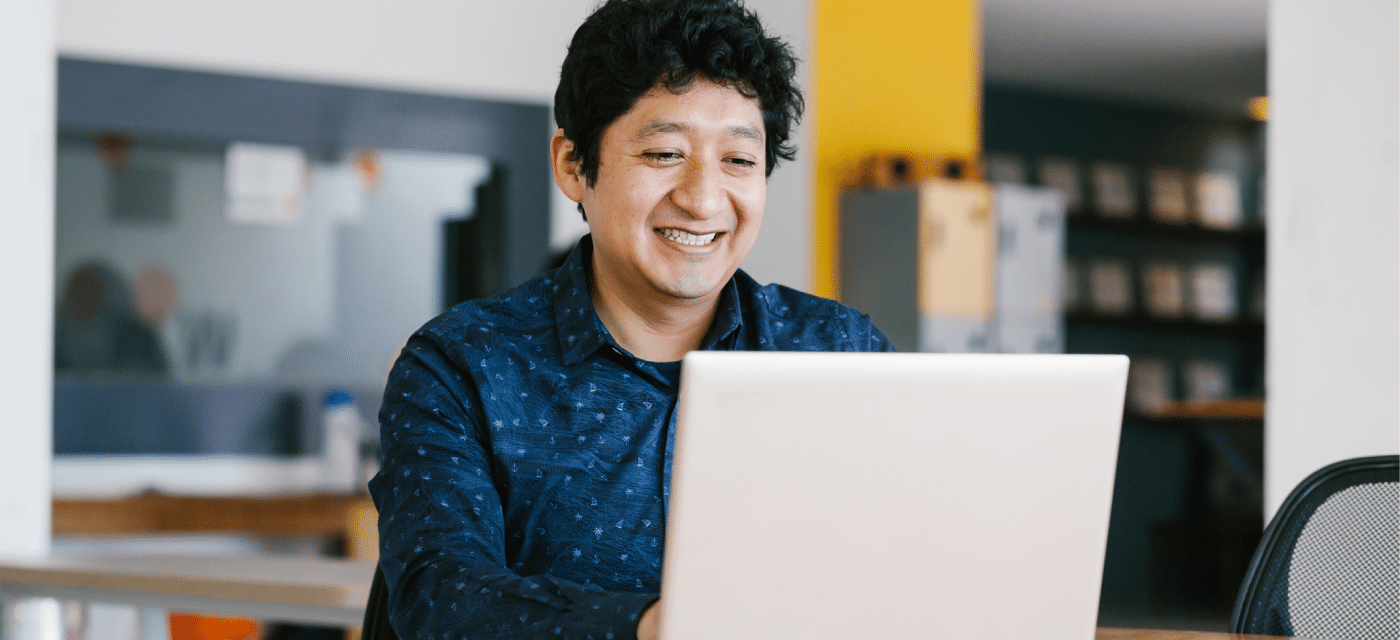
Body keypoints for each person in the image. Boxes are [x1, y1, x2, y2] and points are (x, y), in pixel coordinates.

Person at [369, 1, 894, 638]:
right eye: (664, 153)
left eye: (738, 161)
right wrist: (654, 627)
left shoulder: (839, 353)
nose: (703, 200)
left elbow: (911, 557)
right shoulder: (461, 367)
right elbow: (443, 600)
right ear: (572, 164)